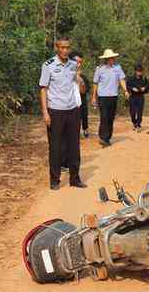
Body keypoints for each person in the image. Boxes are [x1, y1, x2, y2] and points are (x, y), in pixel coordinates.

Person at [39, 37, 87, 190]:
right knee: (56, 147)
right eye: (62, 47)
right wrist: (45, 112)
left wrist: (79, 78)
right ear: (57, 48)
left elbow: (81, 90)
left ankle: (75, 178)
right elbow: (43, 89)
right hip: (55, 111)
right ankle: (54, 180)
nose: (65, 50)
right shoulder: (48, 66)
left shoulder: (74, 65)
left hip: (73, 110)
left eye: (67, 48)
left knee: (74, 146)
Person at [92, 49, 129, 147]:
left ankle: (107, 136)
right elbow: (95, 83)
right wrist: (93, 97)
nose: (113, 59)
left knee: (110, 118)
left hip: (113, 96)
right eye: (111, 58)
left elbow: (121, 79)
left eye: (114, 58)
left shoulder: (118, 68)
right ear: (107, 59)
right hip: (103, 97)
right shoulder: (99, 69)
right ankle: (104, 138)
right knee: (104, 117)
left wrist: (125, 90)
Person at [126, 63, 149, 132]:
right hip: (133, 97)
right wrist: (132, 89)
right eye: (138, 71)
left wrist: (144, 88)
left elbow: (148, 86)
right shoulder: (131, 79)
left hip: (140, 97)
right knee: (132, 112)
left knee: (140, 112)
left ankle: (138, 124)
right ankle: (134, 122)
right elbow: (127, 86)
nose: (139, 72)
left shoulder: (144, 79)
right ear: (135, 71)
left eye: (140, 71)